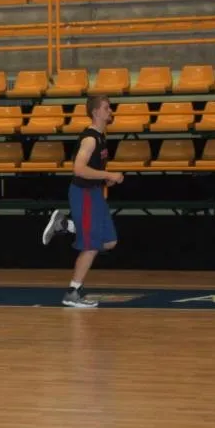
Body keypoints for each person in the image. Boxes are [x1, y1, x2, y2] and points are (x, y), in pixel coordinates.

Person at [57, 95, 123, 308]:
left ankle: (69, 225)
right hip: (83, 193)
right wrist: (108, 175)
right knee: (92, 244)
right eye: (106, 108)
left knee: (110, 241)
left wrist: (105, 178)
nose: (110, 111)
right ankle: (72, 292)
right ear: (95, 112)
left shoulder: (101, 137)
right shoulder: (90, 139)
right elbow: (79, 169)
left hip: (94, 193)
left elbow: (92, 170)